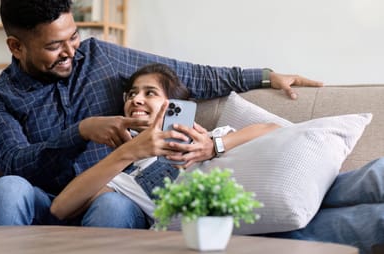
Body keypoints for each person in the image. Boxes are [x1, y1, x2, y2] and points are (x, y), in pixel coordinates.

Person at [0, 0, 322, 229]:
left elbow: (189, 75)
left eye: (74, 36)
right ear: (16, 46)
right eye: (55, 46)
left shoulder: (102, 59)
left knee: (112, 204)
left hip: (113, 198)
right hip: (47, 205)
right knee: (8, 188)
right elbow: (17, 165)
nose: (70, 52)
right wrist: (80, 132)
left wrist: (266, 76)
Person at [50, 63, 279, 223]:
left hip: (229, 219)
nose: (136, 99)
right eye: (131, 94)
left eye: (149, 93)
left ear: (175, 106)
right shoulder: (126, 169)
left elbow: (275, 130)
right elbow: (61, 208)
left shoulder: (208, 137)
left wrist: (214, 145)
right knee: (111, 204)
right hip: (152, 225)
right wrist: (127, 153)